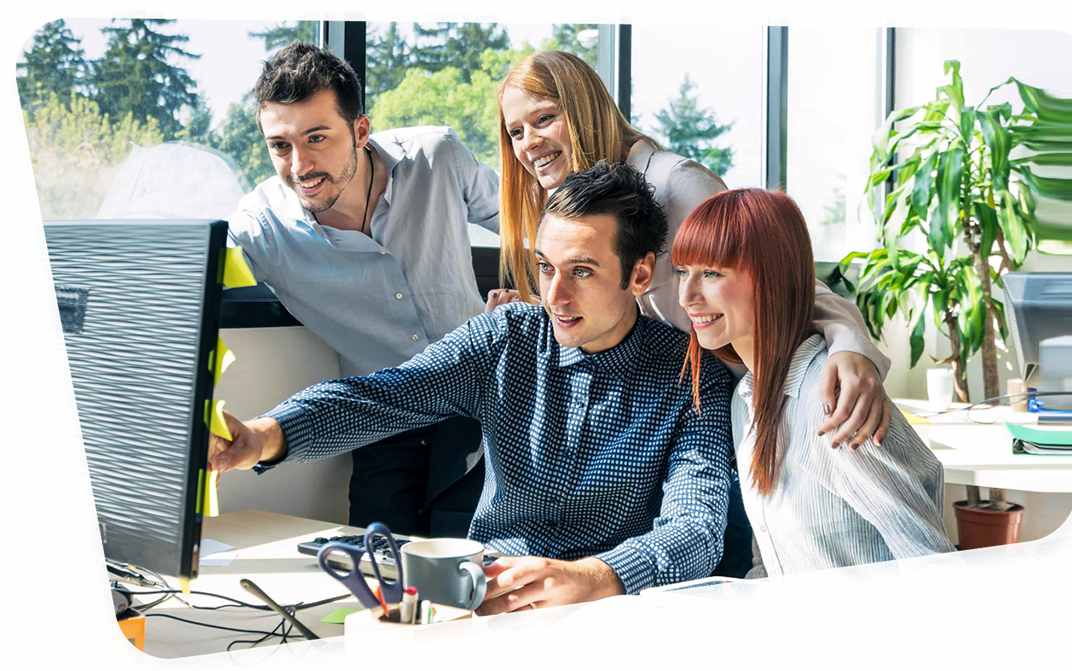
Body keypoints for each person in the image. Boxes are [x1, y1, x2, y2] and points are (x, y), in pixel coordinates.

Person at [210, 161, 736, 634]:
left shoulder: (694, 376)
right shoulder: (505, 337)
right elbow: (382, 396)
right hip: (482, 609)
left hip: (604, 620)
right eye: (545, 267)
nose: (554, 296)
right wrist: (263, 436)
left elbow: (698, 525)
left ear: (639, 274)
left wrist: (596, 576)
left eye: (581, 271)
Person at [489, 49, 893, 576]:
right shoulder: (576, 202)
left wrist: (850, 347)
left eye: (544, 118)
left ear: (586, 108)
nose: (529, 143)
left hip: (768, 408)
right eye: (515, 132)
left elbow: (784, 280)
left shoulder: (677, 185)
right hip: (690, 415)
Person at [673, 188, 985, 671]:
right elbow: (779, 565)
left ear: (772, 278)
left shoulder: (832, 401)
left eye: (712, 274)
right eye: (682, 273)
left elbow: (948, 576)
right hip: (795, 654)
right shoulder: (746, 398)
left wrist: (873, 630)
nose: (688, 296)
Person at [226, 42, 497, 534]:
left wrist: (535, 296)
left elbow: (534, 224)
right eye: (280, 146)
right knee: (373, 574)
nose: (300, 165)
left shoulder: (437, 156)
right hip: (381, 417)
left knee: (474, 561)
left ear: (360, 131)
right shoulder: (261, 227)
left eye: (317, 138)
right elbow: (186, 278)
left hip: (479, 404)